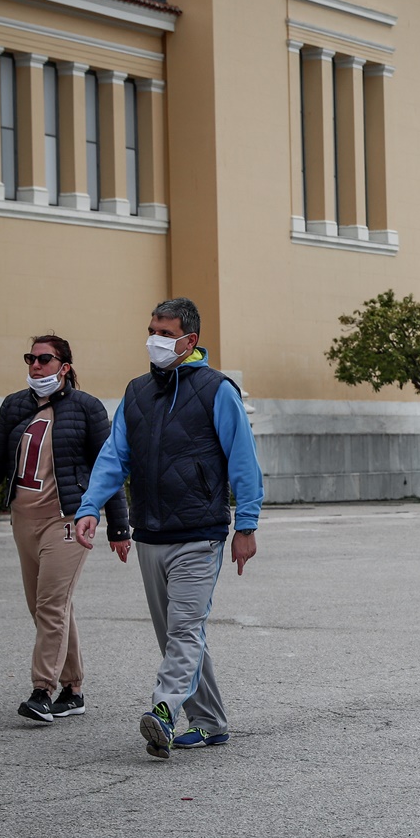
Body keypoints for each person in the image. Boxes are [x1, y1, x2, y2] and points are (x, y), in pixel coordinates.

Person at [74, 298, 263, 760]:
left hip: (200, 533)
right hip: (151, 533)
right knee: (181, 633)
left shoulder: (218, 390)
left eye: (164, 332)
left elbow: (243, 460)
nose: (154, 340)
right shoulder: (137, 391)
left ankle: (162, 710)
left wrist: (247, 524)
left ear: (189, 340)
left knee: (183, 630)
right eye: (152, 330)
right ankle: (211, 722)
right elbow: (114, 457)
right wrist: (89, 507)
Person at [0, 335, 129, 724]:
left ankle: (41, 691)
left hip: (67, 521)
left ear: (64, 366)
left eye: (44, 359)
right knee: (47, 606)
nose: (35, 365)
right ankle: (74, 689)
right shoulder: (15, 405)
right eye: (30, 358)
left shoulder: (87, 409)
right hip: (24, 521)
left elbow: (109, 470)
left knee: (50, 606)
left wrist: (120, 527)